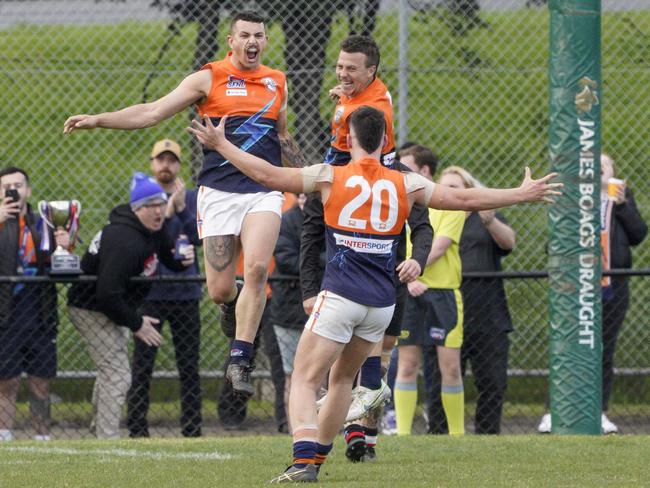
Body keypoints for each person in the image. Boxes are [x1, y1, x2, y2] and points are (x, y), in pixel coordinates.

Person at [188, 105, 561, 482]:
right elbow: (463, 200)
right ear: (384, 140)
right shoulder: (406, 182)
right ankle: (315, 462)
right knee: (341, 383)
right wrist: (520, 193)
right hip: (381, 305)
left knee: (302, 379)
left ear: (348, 139)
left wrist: (222, 145)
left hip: (340, 296)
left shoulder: (330, 175)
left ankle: (303, 461)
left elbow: (267, 174)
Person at [63, 10, 305, 398]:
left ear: (266, 41)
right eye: (244, 35)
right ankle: (232, 302)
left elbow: (282, 136)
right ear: (231, 41)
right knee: (220, 291)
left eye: (258, 35)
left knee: (259, 266)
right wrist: (98, 119)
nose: (252, 42)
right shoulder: (209, 78)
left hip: (263, 189)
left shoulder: (277, 82)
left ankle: (239, 359)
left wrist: (305, 177)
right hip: (220, 193)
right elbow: (151, 112)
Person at [300, 35, 433, 462]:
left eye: (350, 68)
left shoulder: (394, 175)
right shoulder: (337, 171)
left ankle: (352, 441)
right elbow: (309, 228)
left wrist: (416, 258)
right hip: (346, 282)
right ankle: (346, 438)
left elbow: (424, 224)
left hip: (383, 279)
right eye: (338, 67)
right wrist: (308, 287)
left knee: (359, 367)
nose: (341, 75)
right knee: (345, 371)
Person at [67, 172, 195, 439]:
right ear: (137, 209)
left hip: (113, 306)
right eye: (151, 205)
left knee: (111, 369)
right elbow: (106, 293)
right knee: (117, 373)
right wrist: (137, 323)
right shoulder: (126, 240)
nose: (159, 210)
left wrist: (178, 262)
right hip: (91, 308)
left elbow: (164, 254)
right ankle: (107, 439)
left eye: (161, 203)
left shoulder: (151, 230)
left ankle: (99, 430)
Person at [538, 153, 647, 434]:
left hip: (612, 287)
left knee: (604, 349)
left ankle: (598, 412)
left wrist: (622, 205)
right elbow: (554, 245)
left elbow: (638, 234)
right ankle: (556, 411)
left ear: (613, 172)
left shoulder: (621, 198)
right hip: (575, 287)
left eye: (605, 164)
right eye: (593, 163)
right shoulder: (572, 197)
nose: (598, 167)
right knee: (568, 346)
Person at [423, 166, 516, 435]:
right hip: (444, 305)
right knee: (441, 374)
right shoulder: (432, 216)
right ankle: (440, 434)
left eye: (457, 187)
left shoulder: (482, 214)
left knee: (492, 380)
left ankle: (487, 435)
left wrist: (491, 222)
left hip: (486, 309)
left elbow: (509, 243)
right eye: (446, 187)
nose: (451, 192)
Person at [126, 139, 203, 438]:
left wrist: (182, 209)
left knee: (189, 366)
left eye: (172, 160)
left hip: (185, 294)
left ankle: (193, 429)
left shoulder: (192, 198)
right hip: (152, 295)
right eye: (161, 160)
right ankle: (136, 428)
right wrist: (168, 213)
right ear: (152, 163)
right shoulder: (145, 197)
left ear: (179, 166)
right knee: (143, 366)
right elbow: (149, 236)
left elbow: (199, 239)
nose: (166, 166)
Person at [394, 146, 467, 437]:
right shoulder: (403, 199)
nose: (400, 172)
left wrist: (414, 269)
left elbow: (437, 247)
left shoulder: (452, 206)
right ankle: (402, 435)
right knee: (407, 364)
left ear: (423, 172)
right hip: (409, 288)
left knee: (450, 368)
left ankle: (458, 435)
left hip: (443, 294)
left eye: (406, 167)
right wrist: (408, 279)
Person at [0, 167, 71, 442]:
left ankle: (42, 435)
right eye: (7, 186)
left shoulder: (43, 222)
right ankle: (4, 432)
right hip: (6, 311)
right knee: (7, 379)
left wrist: (64, 244)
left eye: (18, 185)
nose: (14, 190)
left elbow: (59, 264)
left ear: (28, 190)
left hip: (39, 308)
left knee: (41, 379)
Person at [270, 193, 310, 433]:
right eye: (304, 194)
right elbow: (286, 260)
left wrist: (312, 265)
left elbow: (340, 258)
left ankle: (322, 428)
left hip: (324, 308)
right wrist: (315, 265)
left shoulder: (331, 219)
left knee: (324, 375)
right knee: (292, 375)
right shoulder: (286, 220)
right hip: (289, 310)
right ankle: (295, 429)